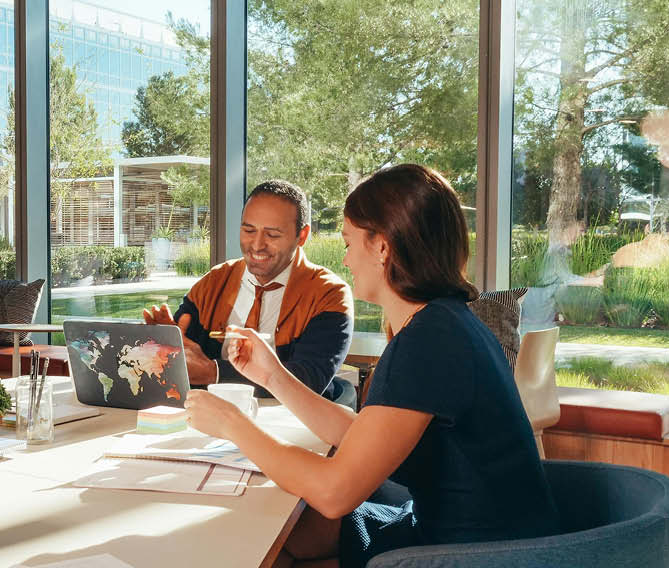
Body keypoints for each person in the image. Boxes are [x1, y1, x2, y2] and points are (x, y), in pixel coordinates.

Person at [184, 164, 560, 567]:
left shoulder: (429, 341)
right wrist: (272, 374)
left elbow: (334, 493)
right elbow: (362, 434)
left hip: (472, 555)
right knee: (287, 535)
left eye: (348, 242)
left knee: (272, 540)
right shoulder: (446, 321)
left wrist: (233, 426)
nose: (345, 258)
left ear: (382, 247)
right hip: (462, 532)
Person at [144, 180, 355, 404]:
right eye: (248, 230)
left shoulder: (329, 295)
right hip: (212, 419)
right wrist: (168, 347)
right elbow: (185, 362)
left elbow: (307, 379)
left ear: (302, 236)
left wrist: (214, 372)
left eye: (272, 235)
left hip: (292, 425)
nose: (256, 245)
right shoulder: (214, 282)